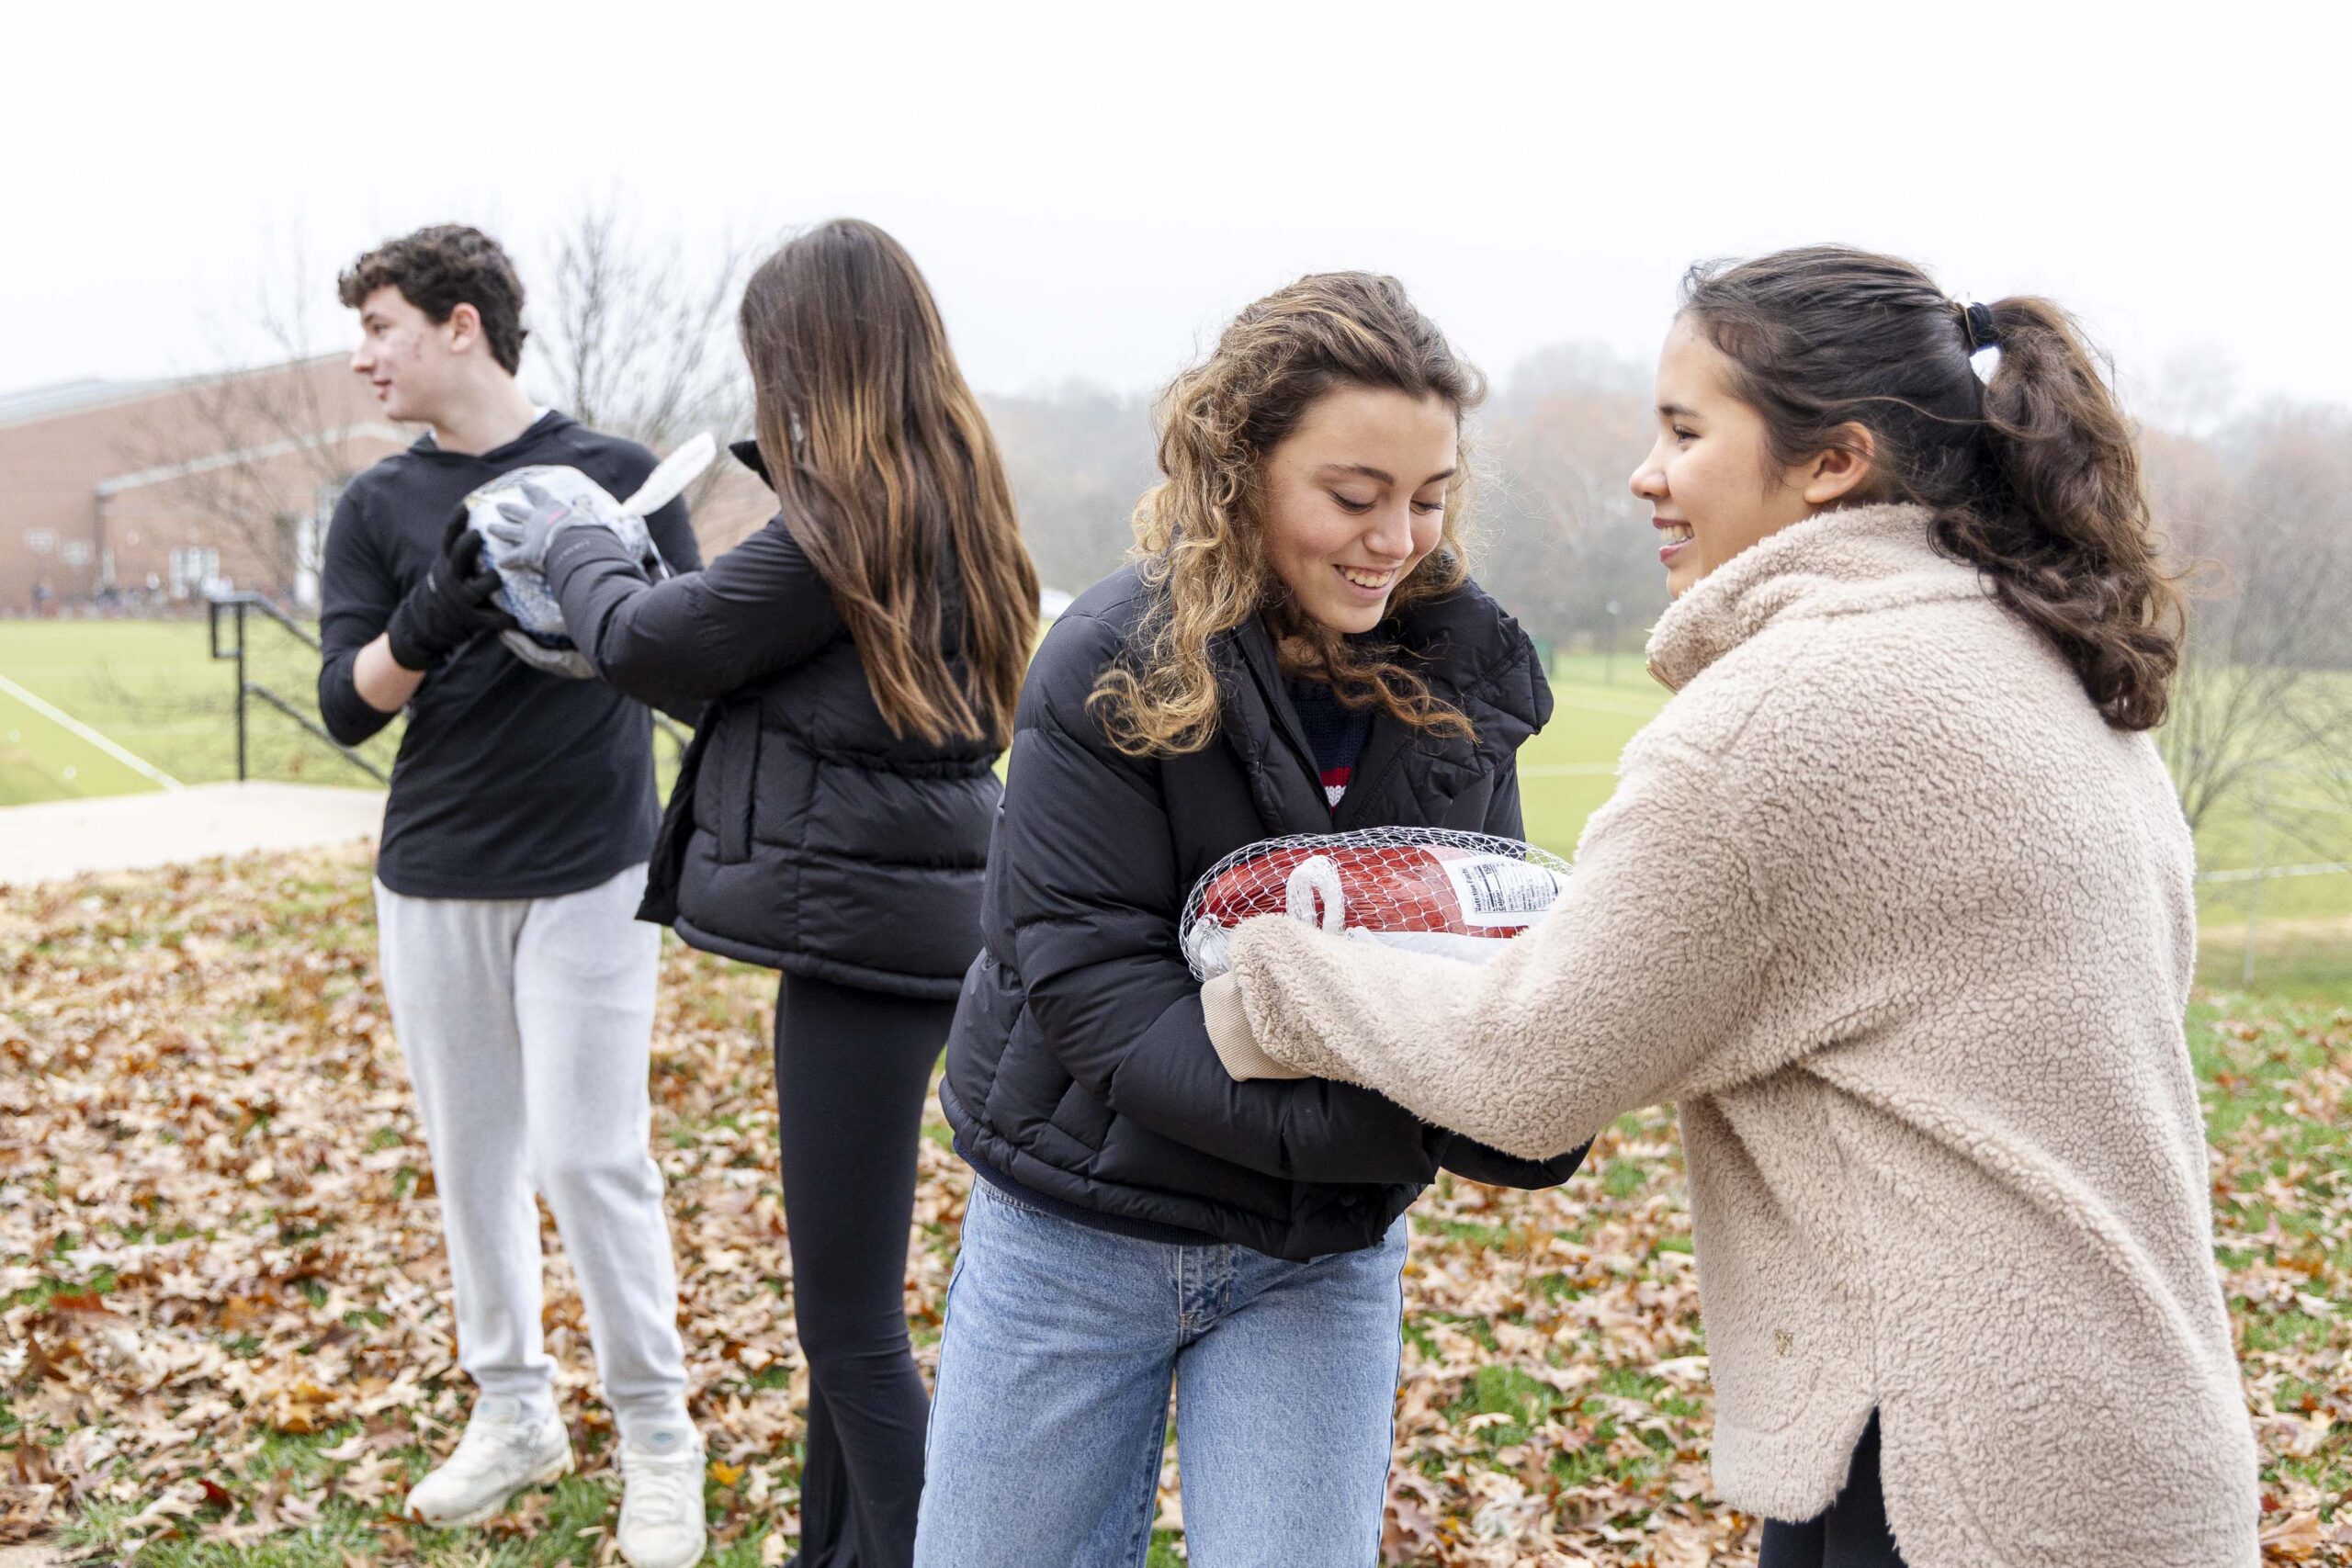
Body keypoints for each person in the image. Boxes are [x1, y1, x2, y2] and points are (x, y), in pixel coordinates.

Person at [1203, 247, 2262, 1568]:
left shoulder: (1784, 717)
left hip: (1955, 1471)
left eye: (1686, 432)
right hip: (2131, 1439)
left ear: (1834, 463)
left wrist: (1269, 972)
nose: (1646, 475)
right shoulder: (2050, 659)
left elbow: (1530, 1064)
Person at [913, 272, 1585, 1568]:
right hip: (1076, 1240)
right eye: (1354, 496)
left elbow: (1478, 958)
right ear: (1241, 471)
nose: (1396, 539)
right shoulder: (1113, 657)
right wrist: (1392, 1120)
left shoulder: (1465, 674)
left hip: (1318, 1263)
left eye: (1429, 498)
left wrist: (1527, 1097)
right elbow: (1093, 983)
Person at [494, 218, 1039, 1568]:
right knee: (852, 1314)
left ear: (805, 357)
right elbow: (760, 676)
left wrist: (573, 537)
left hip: (866, 943)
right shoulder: (943, 499)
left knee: (846, 1325)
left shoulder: (842, 525)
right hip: (915, 924)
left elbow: (641, 640)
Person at [315, 224, 708, 1568]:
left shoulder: (619, 475)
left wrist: (594, 592)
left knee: (592, 1157)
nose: (364, 356)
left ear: (461, 324)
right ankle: (514, 1411)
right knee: (474, 1162)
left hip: (593, 864)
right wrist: (429, 615)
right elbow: (344, 707)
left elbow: (694, 660)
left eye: (381, 326)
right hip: (434, 874)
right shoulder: (376, 506)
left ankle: (657, 1437)